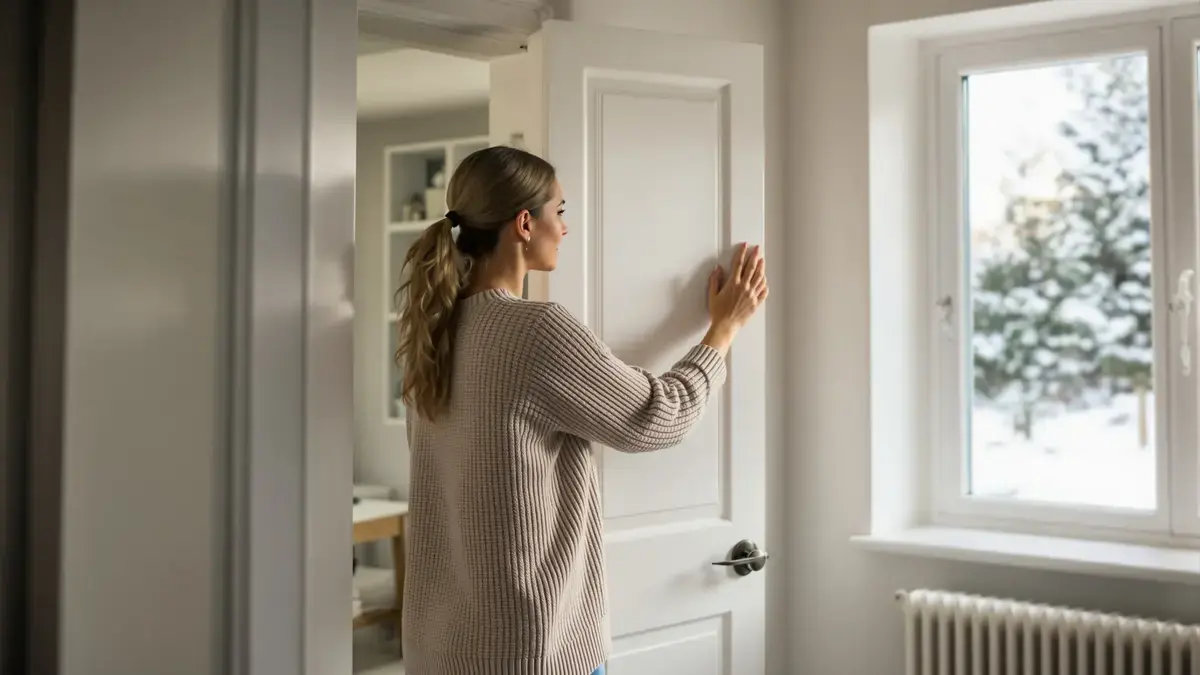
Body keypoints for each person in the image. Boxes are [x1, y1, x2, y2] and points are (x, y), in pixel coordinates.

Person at [394, 146, 768, 675]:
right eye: (560, 211)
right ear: (525, 223)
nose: (565, 229)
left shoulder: (431, 334)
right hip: (530, 653)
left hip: (438, 649)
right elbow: (660, 417)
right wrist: (724, 329)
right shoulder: (535, 330)